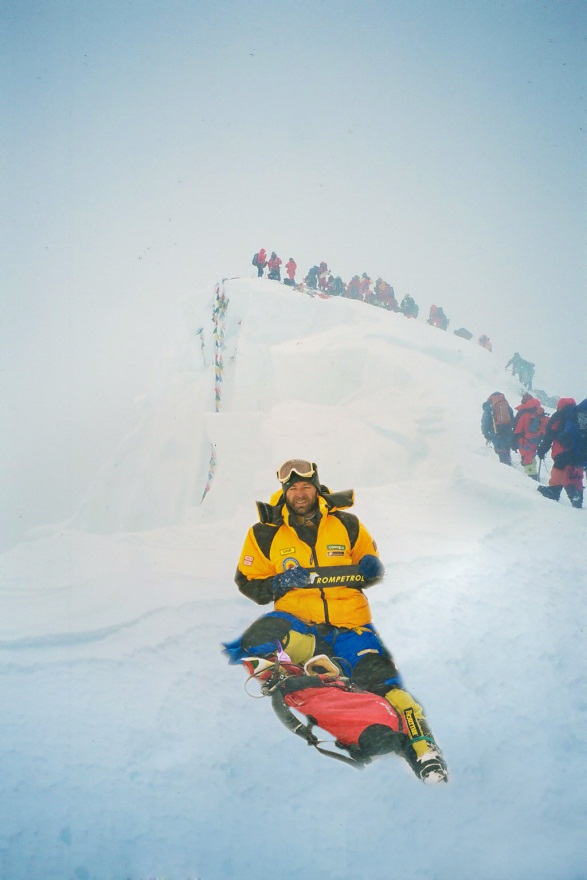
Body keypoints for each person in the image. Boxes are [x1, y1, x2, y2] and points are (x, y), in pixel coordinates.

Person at [224, 459, 448, 783]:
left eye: (306, 487)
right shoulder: (265, 534)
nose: (300, 494)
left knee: (384, 682)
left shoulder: (347, 524)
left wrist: (372, 567)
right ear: (284, 491)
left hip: (352, 628)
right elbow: (249, 583)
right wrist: (280, 582)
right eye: (294, 488)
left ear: (316, 488)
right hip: (301, 623)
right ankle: (315, 684)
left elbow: (368, 567)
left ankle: (423, 752)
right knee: (262, 635)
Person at [537, 397, 586, 508]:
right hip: (579, 449)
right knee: (575, 472)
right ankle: (577, 495)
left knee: (561, 468)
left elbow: (549, 434)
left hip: (560, 448)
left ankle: (553, 490)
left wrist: (542, 449)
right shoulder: (579, 414)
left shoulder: (559, 415)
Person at [511, 394, 548, 480]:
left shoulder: (524, 413)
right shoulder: (538, 412)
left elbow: (518, 429)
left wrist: (513, 440)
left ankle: (532, 481)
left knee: (527, 461)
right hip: (535, 441)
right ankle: (535, 477)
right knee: (531, 458)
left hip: (524, 441)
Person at [481, 392, 514, 464]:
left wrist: (486, 434)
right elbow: (512, 418)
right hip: (507, 430)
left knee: (500, 449)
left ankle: (504, 467)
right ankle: (508, 464)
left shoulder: (489, 406)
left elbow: (485, 421)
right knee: (506, 447)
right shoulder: (505, 404)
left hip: (496, 430)